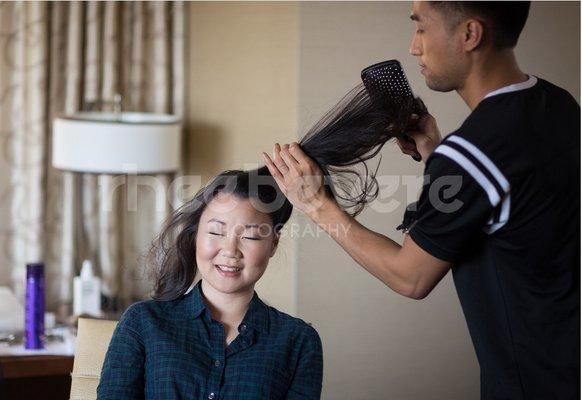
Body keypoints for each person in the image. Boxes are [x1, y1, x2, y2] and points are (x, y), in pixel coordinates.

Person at [263, 2, 580, 399]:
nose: (414, 48)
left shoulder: (471, 156)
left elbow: (409, 276)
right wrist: (435, 152)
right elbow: (507, 199)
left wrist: (317, 204)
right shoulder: (558, 104)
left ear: (470, 35)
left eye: (422, 28)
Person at [97, 170, 323, 399]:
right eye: (216, 231)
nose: (230, 250)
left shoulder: (298, 341)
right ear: (196, 235)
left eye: (251, 236)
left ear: (273, 244)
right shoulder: (143, 322)